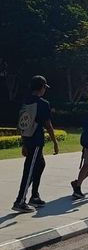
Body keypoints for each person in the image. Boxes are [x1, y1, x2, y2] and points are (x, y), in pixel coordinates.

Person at [13, 75, 59, 213]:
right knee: (29, 170)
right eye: (45, 87)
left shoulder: (26, 102)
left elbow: (23, 123)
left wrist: (24, 142)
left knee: (40, 164)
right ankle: (20, 201)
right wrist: (55, 142)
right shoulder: (43, 103)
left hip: (28, 139)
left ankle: (34, 196)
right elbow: (48, 125)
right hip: (36, 140)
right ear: (42, 87)